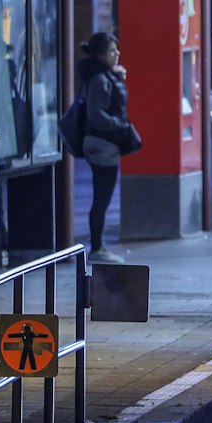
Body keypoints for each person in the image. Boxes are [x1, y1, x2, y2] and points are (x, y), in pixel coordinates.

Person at [77, 32, 138, 264]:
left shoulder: (103, 76)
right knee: (102, 197)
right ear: (101, 55)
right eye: (112, 51)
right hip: (103, 143)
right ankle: (97, 248)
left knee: (102, 196)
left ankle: (97, 246)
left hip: (100, 142)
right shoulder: (100, 80)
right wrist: (119, 124)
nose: (117, 54)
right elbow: (97, 114)